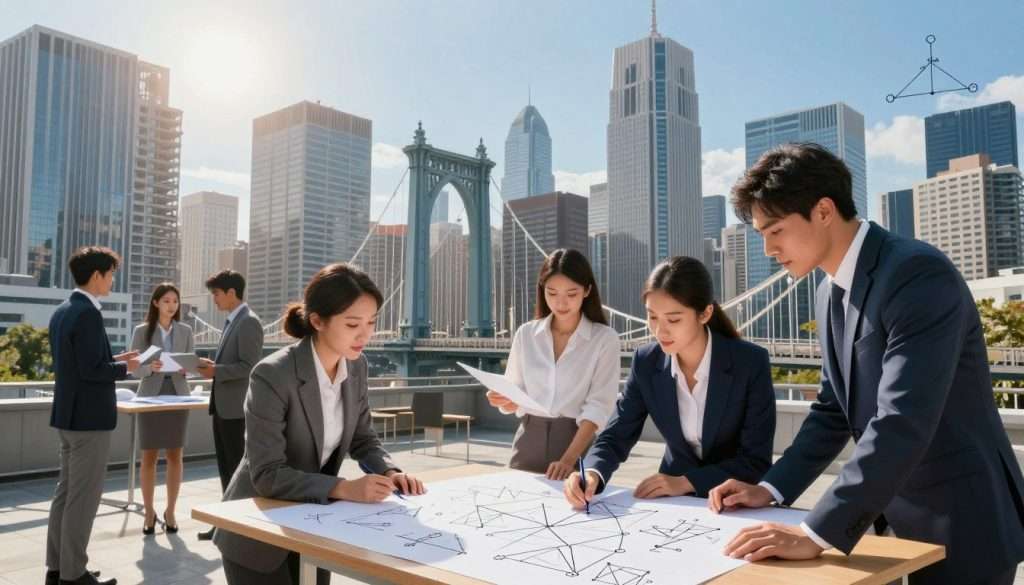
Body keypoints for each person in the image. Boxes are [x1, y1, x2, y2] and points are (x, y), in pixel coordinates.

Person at [708, 143, 1024, 584]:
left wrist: (814, 533)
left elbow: (902, 419)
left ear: (822, 210)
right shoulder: (827, 292)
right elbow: (833, 409)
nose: (768, 249)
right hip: (881, 523)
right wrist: (772, 488)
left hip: (961, 520)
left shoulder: (916, 273)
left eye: (775, 230)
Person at [213, 263, 424, 585]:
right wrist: (344, 488)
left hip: (316, 525)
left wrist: (390, 473)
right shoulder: (273, 374)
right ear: (317, 321)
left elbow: (363, 439)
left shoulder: (357, 367)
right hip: (259, 529)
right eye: (353, 323)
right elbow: (267, 475)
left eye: (371, 322)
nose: (365, 334)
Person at [564, 256, 775, 509]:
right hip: (672, 503)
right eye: (653, 317)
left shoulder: (750, 362)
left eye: (673, 320)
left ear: (705, 313)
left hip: (735, 501)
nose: (660, 332)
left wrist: (686, 482)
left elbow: (755, 460)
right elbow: (616, 435)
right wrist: (591, 473)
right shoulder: (646, 361)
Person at [45, 246, 140, 585]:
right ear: (97, 275)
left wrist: (118, 359)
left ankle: (57, 569)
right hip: (89, 421)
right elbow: (92, 369)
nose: (113, 280)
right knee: (82, 500)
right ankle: (74, 575)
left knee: (65, 494)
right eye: (111, 273)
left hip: (67, 417)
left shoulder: (64, 310)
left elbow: (78, 363)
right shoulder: (87, 313)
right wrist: (126, 367)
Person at [485, 249, 620, 480]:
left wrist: (569, 460)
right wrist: (504, 400)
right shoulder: (526, 334)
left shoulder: (604, 339)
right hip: (528, 440)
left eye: (571, 293)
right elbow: (515, 392)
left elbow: (599, 406)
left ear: (587, 291)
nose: (561, 302)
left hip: (577, 444)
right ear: (542, 290)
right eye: (552, 293)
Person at [195, 270, 263, 541]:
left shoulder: (248, 322)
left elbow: (249, 366)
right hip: (222, 408)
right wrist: (214, 369)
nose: (214, 299)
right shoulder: (232, 321)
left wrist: (216, 371)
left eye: (216, 294)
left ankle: (236, 527)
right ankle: (225, 523)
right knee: (226, 469)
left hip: (236, 411)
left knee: (236, 470)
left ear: (232, 293)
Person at [129, 283, 194, 536]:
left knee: (175, 456)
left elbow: (191, 364)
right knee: (149, 457)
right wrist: (150, 367)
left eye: (175, 301)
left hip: (178, 395)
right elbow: (135, 368)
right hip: (150, 396)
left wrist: (185, 368)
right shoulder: (141, 331)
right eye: (166, 301)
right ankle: (148, 513)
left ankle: (170, 512)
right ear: (156, 303)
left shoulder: (186, 330)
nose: (171, 305)